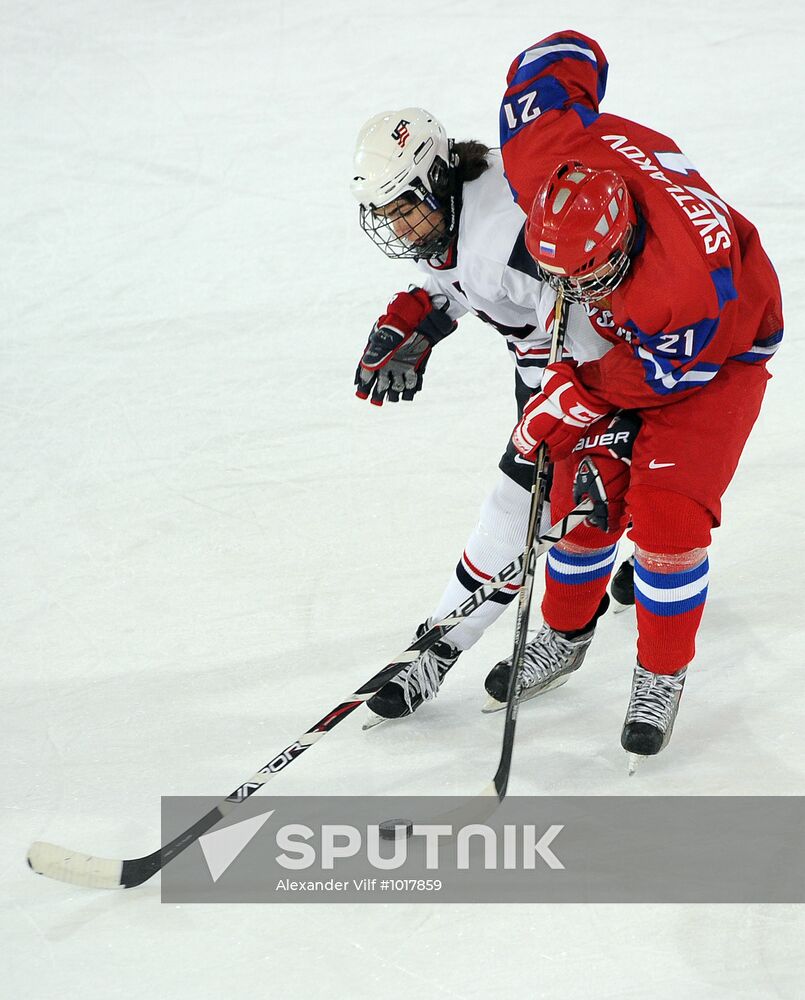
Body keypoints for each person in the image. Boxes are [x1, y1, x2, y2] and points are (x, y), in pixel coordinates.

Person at [482, 31, 783, 761]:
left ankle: (660, 673)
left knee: (664, 518)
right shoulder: (538, 154)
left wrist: (577, 392)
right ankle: (563, 634)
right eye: (565, 276)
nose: (574, 292)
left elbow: (664, 376)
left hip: (717, 355)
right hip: (634, 337)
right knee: (584, 492)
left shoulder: (688, 287)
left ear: (624, 241)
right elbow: (556, 56)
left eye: (591, 274)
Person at [349, 108, 617, 726]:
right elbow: (458, 280)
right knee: (564, 499)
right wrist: (416, 315)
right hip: (548, 361)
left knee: (525, 501)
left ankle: (437, 649)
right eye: (384, 213)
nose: (397, 224)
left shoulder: (502, 233)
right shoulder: (448, 209)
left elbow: (597, 327)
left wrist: (581, 403)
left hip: (594, 362)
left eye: (402, 207)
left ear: (437, 177)